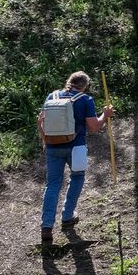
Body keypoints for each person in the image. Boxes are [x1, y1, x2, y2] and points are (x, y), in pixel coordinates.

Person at [37, 71, 112, 244]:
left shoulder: (52, 95)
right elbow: (94, 127)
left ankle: (46, 226)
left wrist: (45, 140)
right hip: (76, 147)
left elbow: (42, 121)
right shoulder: (85, 100)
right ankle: (67, 216)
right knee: (77, 177)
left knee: (52, 184)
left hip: (52, 145)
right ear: (85, 85)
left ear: (68, 82)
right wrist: (105, 116)